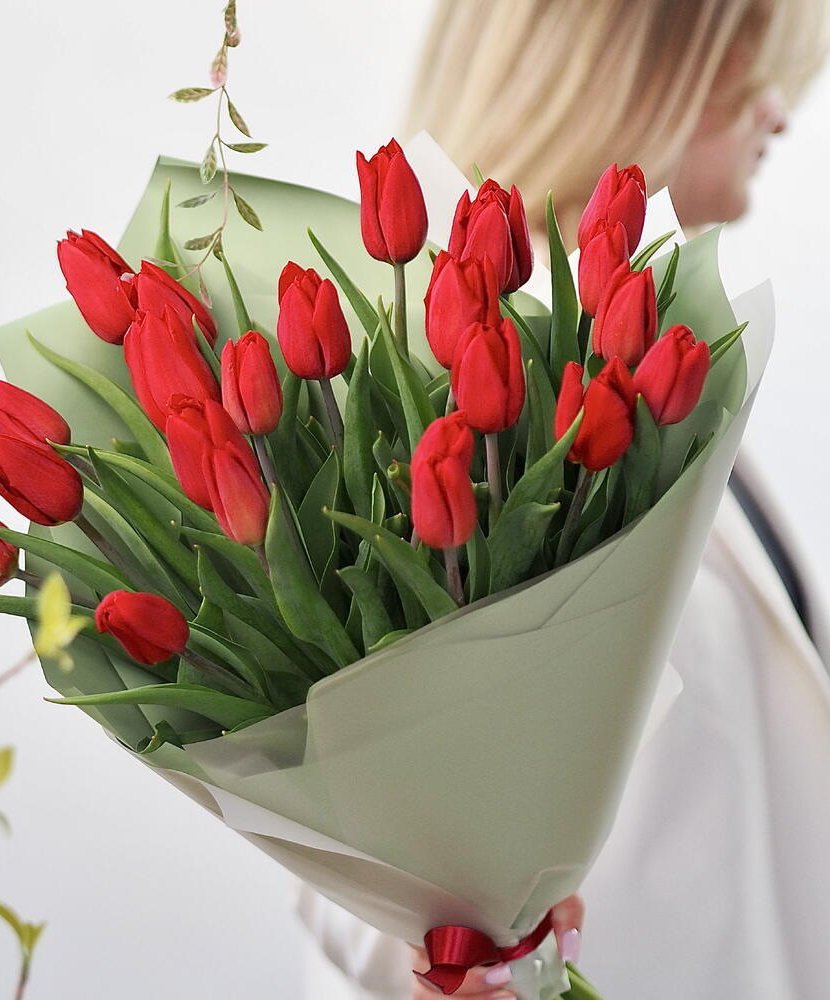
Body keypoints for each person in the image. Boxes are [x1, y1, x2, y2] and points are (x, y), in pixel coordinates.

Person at [297, 2, 830, 998]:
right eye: (752, 61)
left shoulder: (651, 361)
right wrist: (458, 970)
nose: (783, 113)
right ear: (634, 64)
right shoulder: (448, 404)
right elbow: (364, 861)